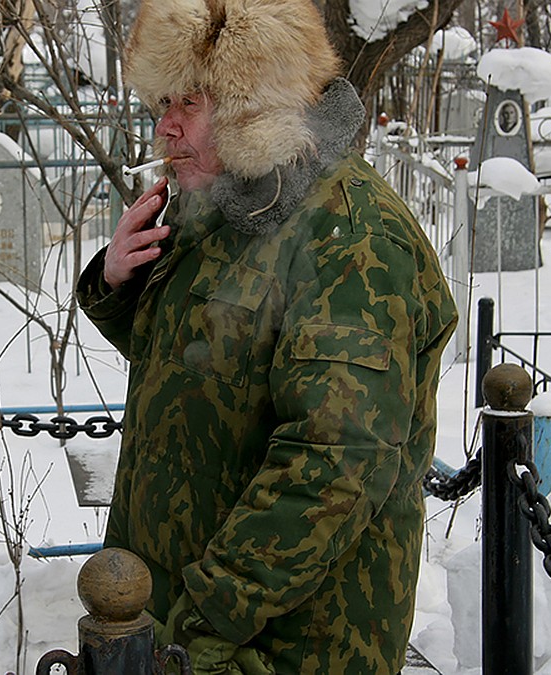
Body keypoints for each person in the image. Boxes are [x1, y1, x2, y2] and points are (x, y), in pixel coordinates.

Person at [74, 0, 459, 672]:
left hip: (280, 642)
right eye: (162, 102)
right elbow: (205, 370)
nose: (164, 128)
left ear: (253, 101)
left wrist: (199, 620)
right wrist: (117, 281)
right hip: (179, 623)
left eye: (186, 104)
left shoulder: (351, 237)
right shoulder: (230, 205)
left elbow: (332, 465)